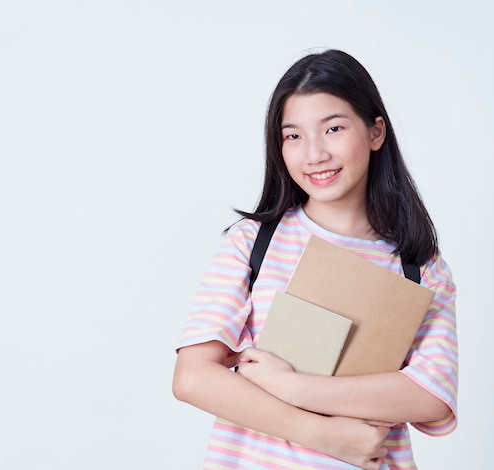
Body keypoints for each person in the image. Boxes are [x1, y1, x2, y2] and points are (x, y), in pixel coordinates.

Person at [172, 49, 458, 470]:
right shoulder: (254, 244)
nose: (314, 154)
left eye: (334, 128)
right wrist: (325, 435)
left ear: (376, 132)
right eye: (293, 136)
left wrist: (290, 386)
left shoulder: (419, 265)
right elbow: (192, 377)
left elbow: (431, 395)